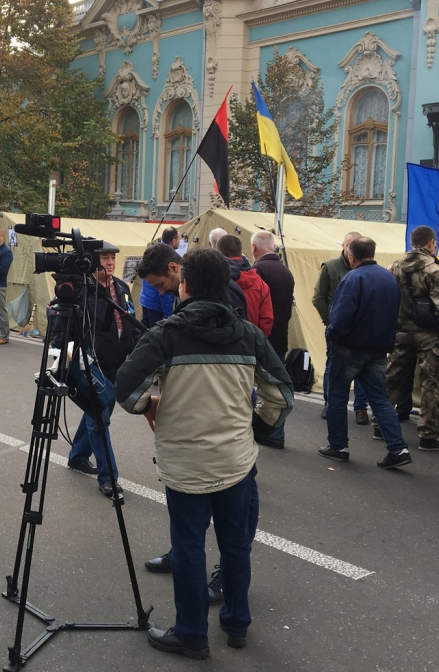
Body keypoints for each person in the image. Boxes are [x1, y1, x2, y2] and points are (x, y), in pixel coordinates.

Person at [115, 248, 294, 660]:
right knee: (236, 546)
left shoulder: (166, 335)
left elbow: (127, 390)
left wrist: (153, 406)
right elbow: (282, 395)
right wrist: (255, 429)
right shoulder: (248, 334)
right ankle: (236, 624)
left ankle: (192, 635)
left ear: (187, 284)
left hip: (185, 464)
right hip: (236, 461)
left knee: (190, 546)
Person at [320, 237, 412, 469]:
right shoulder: (388, 277)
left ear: (351, 256)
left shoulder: (353, 278)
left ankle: (338, 446)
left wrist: (331, 332)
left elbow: (340, 317)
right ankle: (398, 448)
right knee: (380, 398)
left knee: (338, 396)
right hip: (379, 347)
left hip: (349, 347)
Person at [65, 242, 141, 497]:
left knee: (98, 412)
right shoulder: (81, 290)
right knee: (99, 419)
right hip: (92, 364)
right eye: (105, 258)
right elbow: (66, 330)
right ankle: (108, 477)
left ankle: (77, 456)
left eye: (112, 258)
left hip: (119, 363)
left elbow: (130, 320)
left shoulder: (122, 286)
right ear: (92, 261)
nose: (110, 262)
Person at [384, 226, 439, 451]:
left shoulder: (394, 267)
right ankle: (428, 435)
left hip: (399, 331)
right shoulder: (435, 270)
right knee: (429, 384)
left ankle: (380, 425)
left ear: (413, 242)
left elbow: (387, 298)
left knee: (392, 378)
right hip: (427, 335)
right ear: (431, 243)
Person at [312, 232, 368, 423]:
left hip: (360, 329)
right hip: (337, 329)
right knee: (333, 367)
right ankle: (330, 405)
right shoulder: (330, 267)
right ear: (343, 246)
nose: (351, 248)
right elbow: (318, 297)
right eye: (348, 244)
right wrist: (329, 322)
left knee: (361, 370)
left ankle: (360, 409)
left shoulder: (366, 268)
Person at [250, 230, 295, 449]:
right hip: (280, 337)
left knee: (256, 386)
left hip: (262, 338)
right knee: (277, 388)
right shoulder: (286, 271)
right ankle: (277, 434)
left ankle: (263, 432)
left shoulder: (257, 270)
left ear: (254, 247)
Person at [216, 234, 273, 336]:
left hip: (220, 342)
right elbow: (267, 320)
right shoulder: (259, 283)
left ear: (217, 253)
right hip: (251, 341)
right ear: (241, 253)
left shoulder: (213, 280)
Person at [139, 227, 179, 328]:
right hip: (157, 307)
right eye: (179, 239)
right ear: (173, 241)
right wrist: (168, 318)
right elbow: (165, 296)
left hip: (146, 301)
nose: (161, 290)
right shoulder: (163, 262)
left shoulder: (152, 254)